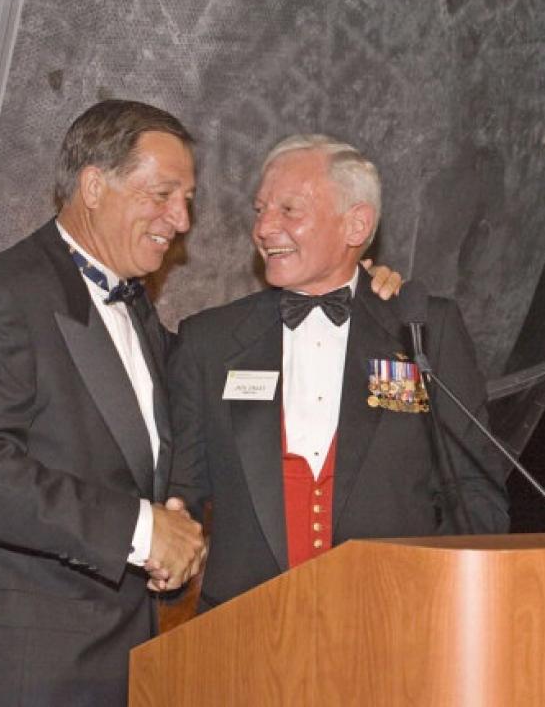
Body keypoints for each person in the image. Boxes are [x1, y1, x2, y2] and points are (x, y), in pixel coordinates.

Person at [0, 100, 207, 706]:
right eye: (163, 194)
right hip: (20, 677)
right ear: (94, 186)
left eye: (186, 199)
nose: (180, 219)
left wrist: (355, 289)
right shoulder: (2, 297)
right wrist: (141, 529)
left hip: (116, 666)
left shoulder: (142, 314)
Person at [168, 134, 510, 610]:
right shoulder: (209, 341)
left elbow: (472, 490)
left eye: (289, 210)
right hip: (242, 637)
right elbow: (179, 489)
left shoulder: (423, 329)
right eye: (261, 209)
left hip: (392, 629)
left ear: (356, 225)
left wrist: (437, 599)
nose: (264, 228)